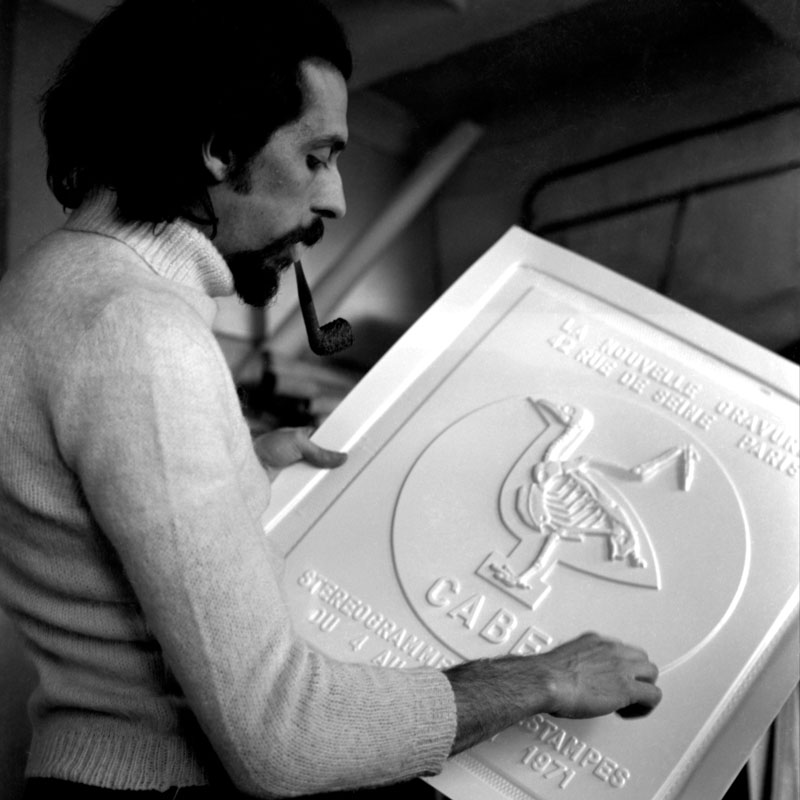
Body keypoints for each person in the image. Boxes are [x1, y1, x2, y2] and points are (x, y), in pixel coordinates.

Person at [0, 1, 662, 797]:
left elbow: (80, 545)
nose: (336, 201)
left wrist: (244, 470)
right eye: (317, 157)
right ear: (219, 148)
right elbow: (284, 738)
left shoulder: (44, 290)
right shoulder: (139, 330)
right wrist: (543, 678)